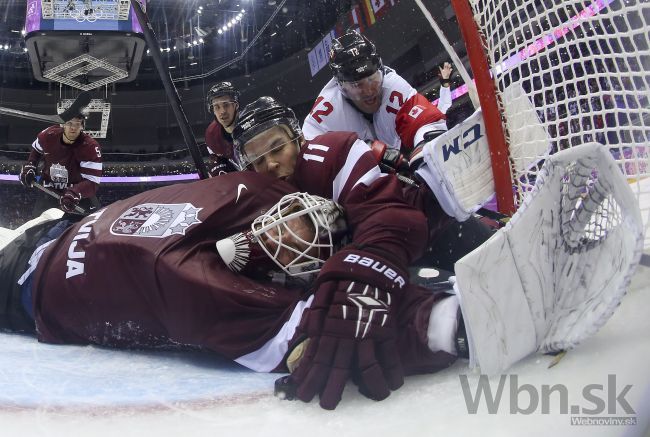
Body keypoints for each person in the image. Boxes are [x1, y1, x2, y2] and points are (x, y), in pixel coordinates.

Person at [0, 171, 459, 410]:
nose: (288, 230)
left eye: (303, 237)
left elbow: (323, 326)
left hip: (23, 284)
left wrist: (441, 322)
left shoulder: (197, 286)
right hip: (60, 228)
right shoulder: (263, 189)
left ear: (303, 272)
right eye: (299, 215)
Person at [233, 96, 494, 273]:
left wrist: (348, 281)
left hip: (437, 235)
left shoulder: (329, 155)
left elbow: (389, 223)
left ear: (297, 138)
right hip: (410, 251)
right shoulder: (273, 193)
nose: (270, 165)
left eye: (276, 148)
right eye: (258, 161)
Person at [302, 31, 449, 156]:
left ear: (381, 70)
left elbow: (427, 122)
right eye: (357, 85)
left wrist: (431, 144)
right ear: (341, 86)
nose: (369, 91)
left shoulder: (394, 86)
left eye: (373, 79)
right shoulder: (325, 114)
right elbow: (308, 162)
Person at [19, 112, 102, 217]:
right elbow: (36, 150)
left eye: (77, 124)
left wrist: (75, 192)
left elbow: (92, 182)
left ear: (82, 126)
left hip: (78, 197)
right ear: (63, 124)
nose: (73, 128)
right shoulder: (48, 135)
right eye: (70, 123)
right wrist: (30, 166)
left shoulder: (90, 147)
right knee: (38, 230)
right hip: (49, 191)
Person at [204, 81, 242, 176]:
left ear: (235, 105)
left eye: (226, 105)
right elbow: (216, 159)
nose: (222, 111)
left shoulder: (250, 124)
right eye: (217, 107)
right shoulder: (211, 134)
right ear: (213, 111)